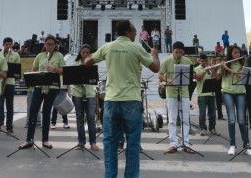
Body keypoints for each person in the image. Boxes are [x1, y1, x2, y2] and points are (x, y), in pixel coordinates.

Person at [84, 20, 159, 178]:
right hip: (131, 100)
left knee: (110, 142)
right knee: (132, 143)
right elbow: (156, 67)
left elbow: (87, 62)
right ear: (126, 32)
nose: (136, 34)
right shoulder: (136, 48)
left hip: (111, 100)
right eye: (133, 31)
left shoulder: (108, 47)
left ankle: (109, 175)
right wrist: (155, 55)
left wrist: (93, 54)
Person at [19, 35, 64, 150]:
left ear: (55, 45)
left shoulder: (59, 56)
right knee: (33, 111)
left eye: (52, 44)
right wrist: (41, 71)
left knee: (46, 112)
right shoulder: (40, 55)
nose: (49, 46)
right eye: (47, 44)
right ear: (44, 45)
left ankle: (45, 140)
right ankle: (29, 139)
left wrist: (54, 69)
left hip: (52, 87)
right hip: (39, 87)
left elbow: (63, 71)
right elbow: (33, 71)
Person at [216, 44, 251, 156]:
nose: (237, 55)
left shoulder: (242, 64)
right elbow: (217, 78)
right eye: (235, 53)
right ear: (230, 54)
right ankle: (232, 145)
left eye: (238, 53)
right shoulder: (225, 64)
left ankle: (247, 145)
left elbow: (241, 76)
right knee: (232, 120)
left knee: (242, 120)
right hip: (227, 92)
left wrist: (227, 68)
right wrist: (215, 69)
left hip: (240, 93)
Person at [159, 41, 194, 153]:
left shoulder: (187, 61)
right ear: (172, 51)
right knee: (172, 119)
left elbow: (191, 75)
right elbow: (160, 74)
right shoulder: (167, 61)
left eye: (180, 52)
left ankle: (186, 143)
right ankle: (173, 143)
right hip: (171, 92)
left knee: (185, 119)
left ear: (183, 52)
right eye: (176, 52)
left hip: (184, 92)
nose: (178, 55)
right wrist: (168, 80)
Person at [71, 44, 99, 150]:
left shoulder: (92, 64)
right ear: (80, 53)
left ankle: (93, 142)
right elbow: (71, 79)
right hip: (77, 93)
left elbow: (95, 79)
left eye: (87, 52)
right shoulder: (75, 64)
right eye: (83, 52)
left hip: (89, 94)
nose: (85, 54)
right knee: (79, 118)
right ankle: (81, 142)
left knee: (91, 118)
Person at [0, 37, 20, 135]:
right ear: (3, 45)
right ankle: (0, 120)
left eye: (10, 44)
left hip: (10, 82)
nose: (8, 46)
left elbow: (17, 69)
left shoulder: (16, 55)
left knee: (10, 105)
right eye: (6, 44)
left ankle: (9, 127)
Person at [194, 53, 216, 136]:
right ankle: (203, 128)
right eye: (202, 61)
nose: (204, 62)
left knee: (212, 113)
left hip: (211, 93)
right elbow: (198, 78)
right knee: (202, 113)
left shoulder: (210, 68)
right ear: (199, 61)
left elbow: (216, 79)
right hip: (201, 94)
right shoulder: (196, 69)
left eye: (206, 61)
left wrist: (213, 72)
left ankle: (212, 128)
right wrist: (205, 71)